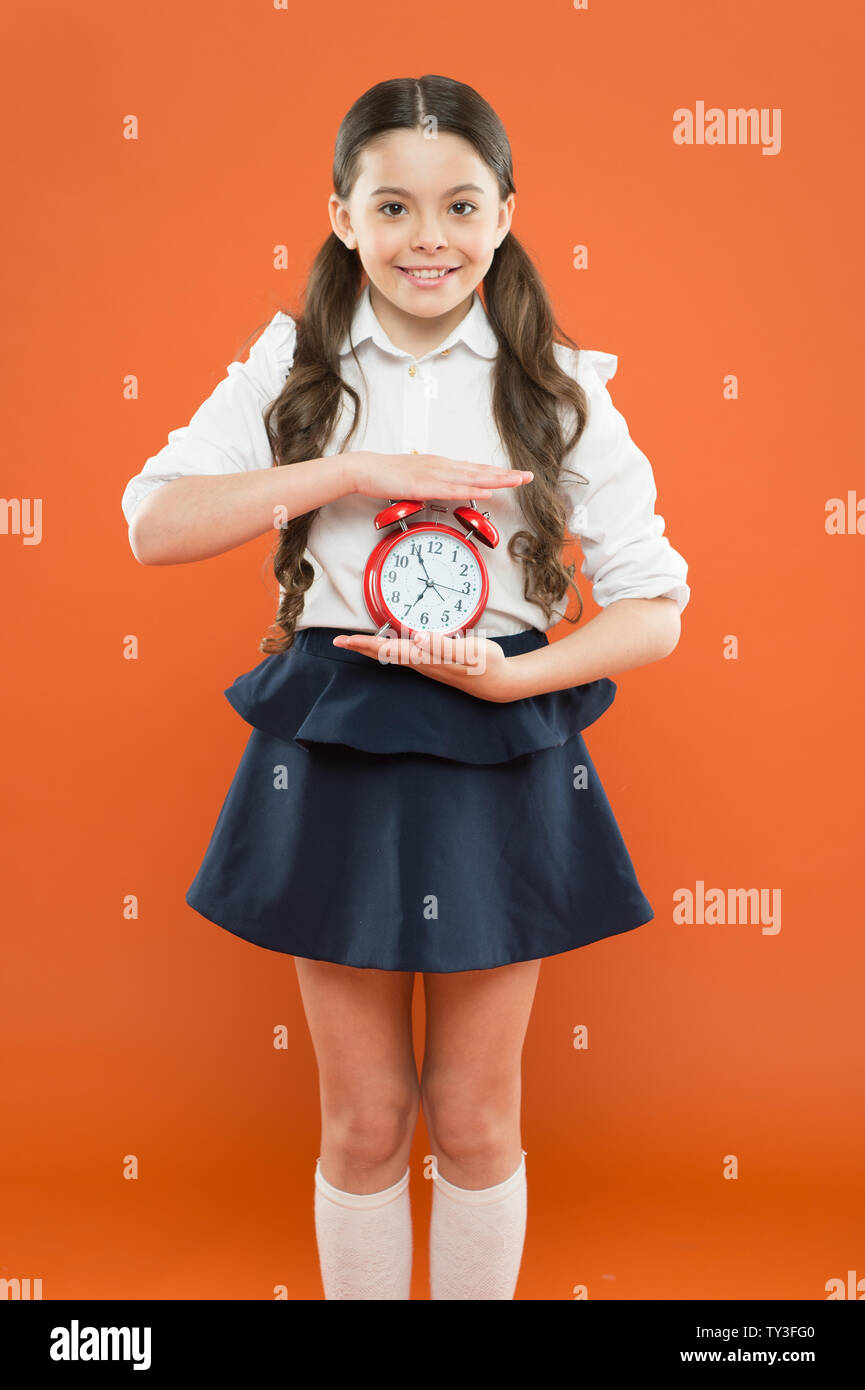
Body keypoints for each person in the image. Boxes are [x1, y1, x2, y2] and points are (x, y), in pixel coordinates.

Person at [120, 74, 690, 1301]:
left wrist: (514, 676)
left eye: (459, 204)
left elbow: (655, 610)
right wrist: (345, 467)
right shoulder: (295, 362)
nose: (428, 235)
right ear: (340, 217)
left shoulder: (556, 383)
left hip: (500, 735)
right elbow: (152, 525)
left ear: (505, 211)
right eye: (392, 205)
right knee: (366, 1120)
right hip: (336, 733)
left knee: (477, 1117)